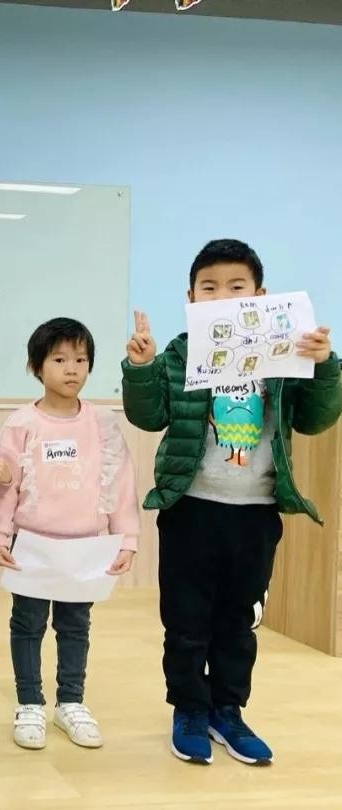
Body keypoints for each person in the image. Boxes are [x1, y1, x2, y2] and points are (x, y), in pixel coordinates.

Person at [122, 238, 341, 765]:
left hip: (256, 514)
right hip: (190, 507)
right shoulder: (181, 353)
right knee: (186, 621)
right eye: (209, 287)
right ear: (192, 299)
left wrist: (325, 365)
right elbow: (149, 417)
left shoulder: (285, 353)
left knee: (238, 622)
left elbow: (315, 420)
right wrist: (143, 368)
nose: (222, 296)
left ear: (260, 296)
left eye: (236, 286)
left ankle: (228, 710)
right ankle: (189, 710)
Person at [0, 318, 139, 751]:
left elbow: (121, 481)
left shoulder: (102, 423)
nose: (72, 369)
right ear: (36, 366)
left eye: (81, 360)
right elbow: (5, 482)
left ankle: (71, 701)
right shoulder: (20, 423)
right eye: (59, 359)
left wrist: (126, 538)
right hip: (31, 544)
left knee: (75, 626)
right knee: (27, 624)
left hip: (86, 546)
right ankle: (29, 703)